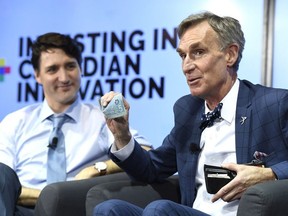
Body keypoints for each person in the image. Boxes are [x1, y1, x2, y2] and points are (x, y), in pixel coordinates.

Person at [94, 11, 288, 216]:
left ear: (230, 54)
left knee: (160, 210)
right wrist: (122, 134)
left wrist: (269, 174)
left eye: (198, 52)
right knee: (109, 209)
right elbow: (151, 169)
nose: (186, 66)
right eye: (183, 55)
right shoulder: (188, 110)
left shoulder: (273, 104)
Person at [0, 32, 151, 216]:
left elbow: (146, 154)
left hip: (75, 208)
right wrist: (50, 197)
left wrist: (97, 169)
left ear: (81, 69)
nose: (64, 78)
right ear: (37, 75)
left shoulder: (99, 119)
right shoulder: (15, 122)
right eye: (52, 69)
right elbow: (3, 183)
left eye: (70, 66)